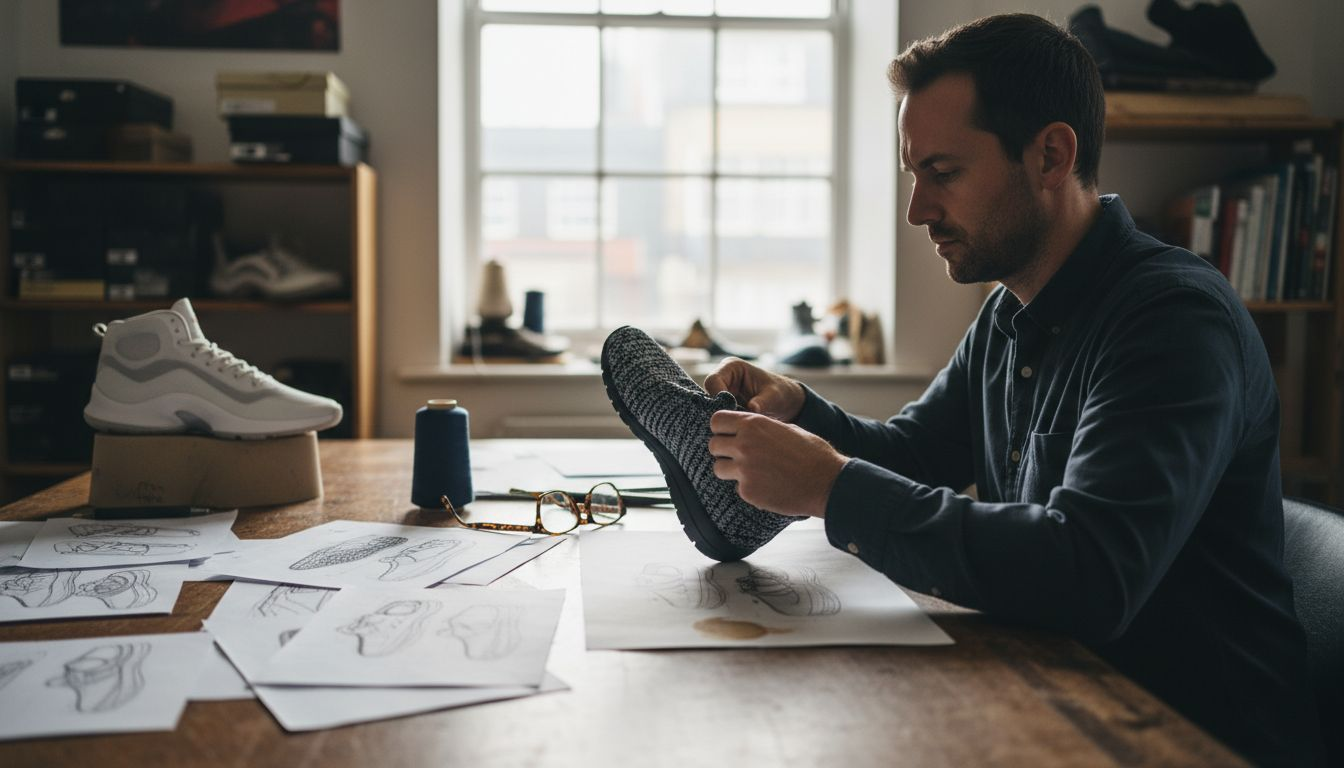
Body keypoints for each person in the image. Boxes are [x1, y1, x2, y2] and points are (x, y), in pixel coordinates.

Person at [703, 13, 1323, 767]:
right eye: (913, 176)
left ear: (1051, 156)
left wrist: (832, 488)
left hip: (1194, 734)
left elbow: (1089, 574)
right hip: (1062, 690)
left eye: (944, 173)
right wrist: (800, 409)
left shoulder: (1173, 322)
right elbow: (918, 452)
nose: (918, 211)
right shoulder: (1011, 307)